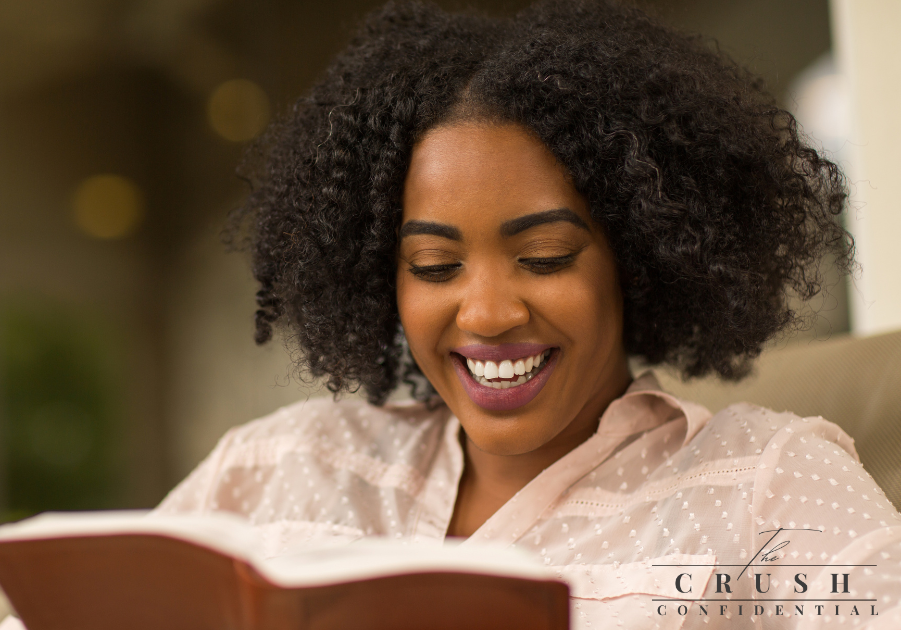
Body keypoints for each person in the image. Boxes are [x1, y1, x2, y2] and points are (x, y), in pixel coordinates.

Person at [150, 1, 901, 628]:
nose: (487, 311)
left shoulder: (764, 488)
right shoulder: (277, 468)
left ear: (637, 259)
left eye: (543, 256)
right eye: (435, 267)